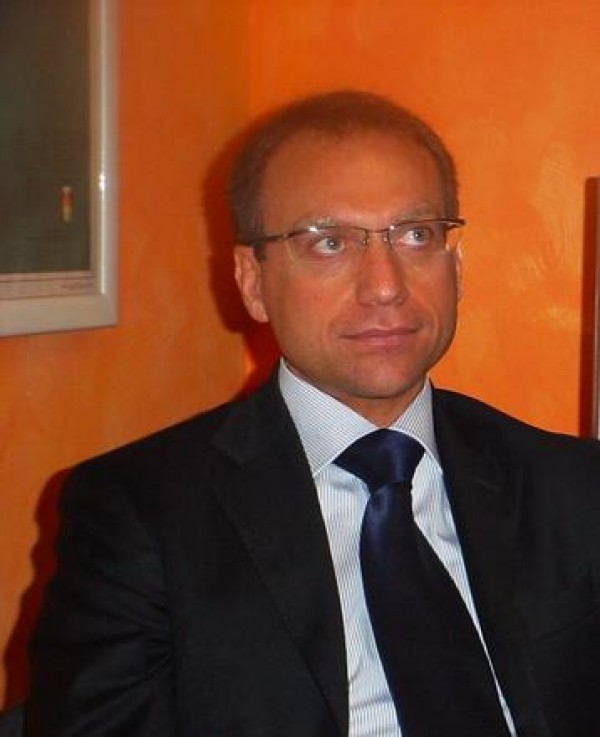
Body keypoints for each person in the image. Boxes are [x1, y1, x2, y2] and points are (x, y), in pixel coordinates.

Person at [25, 90, 600, 737]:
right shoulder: (140, 513)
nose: (385, 285)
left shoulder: (572, 486)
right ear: (252, 281)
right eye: (329, 243)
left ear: (456, 266)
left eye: (416, 235)